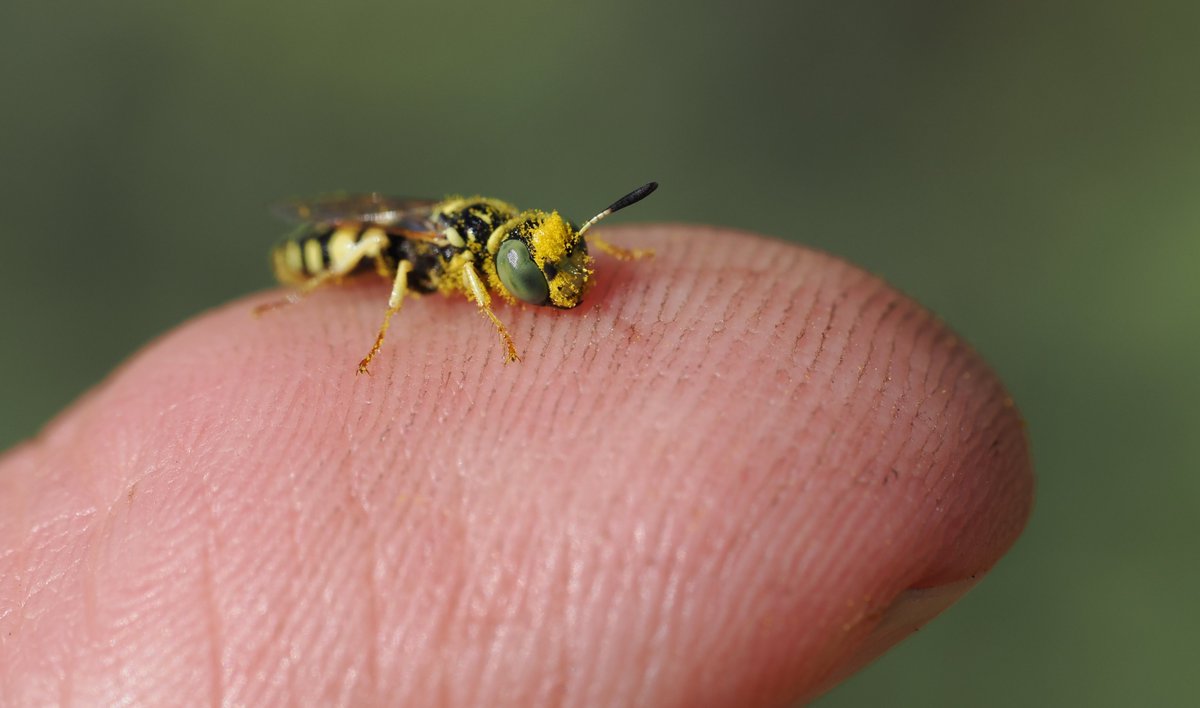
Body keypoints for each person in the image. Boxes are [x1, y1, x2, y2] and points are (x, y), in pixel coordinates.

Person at [0, 228, 1033, 706]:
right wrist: (475, 319)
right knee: (371, 256)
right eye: (547, 273)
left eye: (563, 267)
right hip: (349, 251)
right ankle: (315, 301)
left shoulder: (518, 245)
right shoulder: (457, 267)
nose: (563, 284)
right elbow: (430, 265)